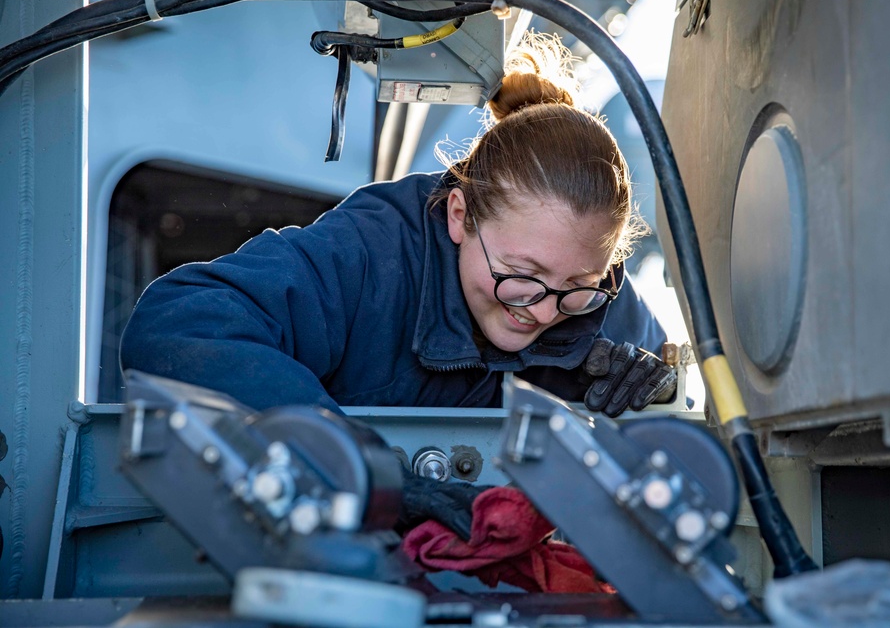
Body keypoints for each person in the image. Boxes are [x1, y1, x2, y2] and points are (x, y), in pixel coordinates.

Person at [119, 33, 676, 539]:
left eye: (577, 285)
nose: (544, 309)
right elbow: (176, 323)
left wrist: (660, 399)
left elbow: (678, 439)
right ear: (460, 215)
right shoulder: (369, 254)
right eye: (522, 276)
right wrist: (363, 470)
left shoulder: (597, 296)